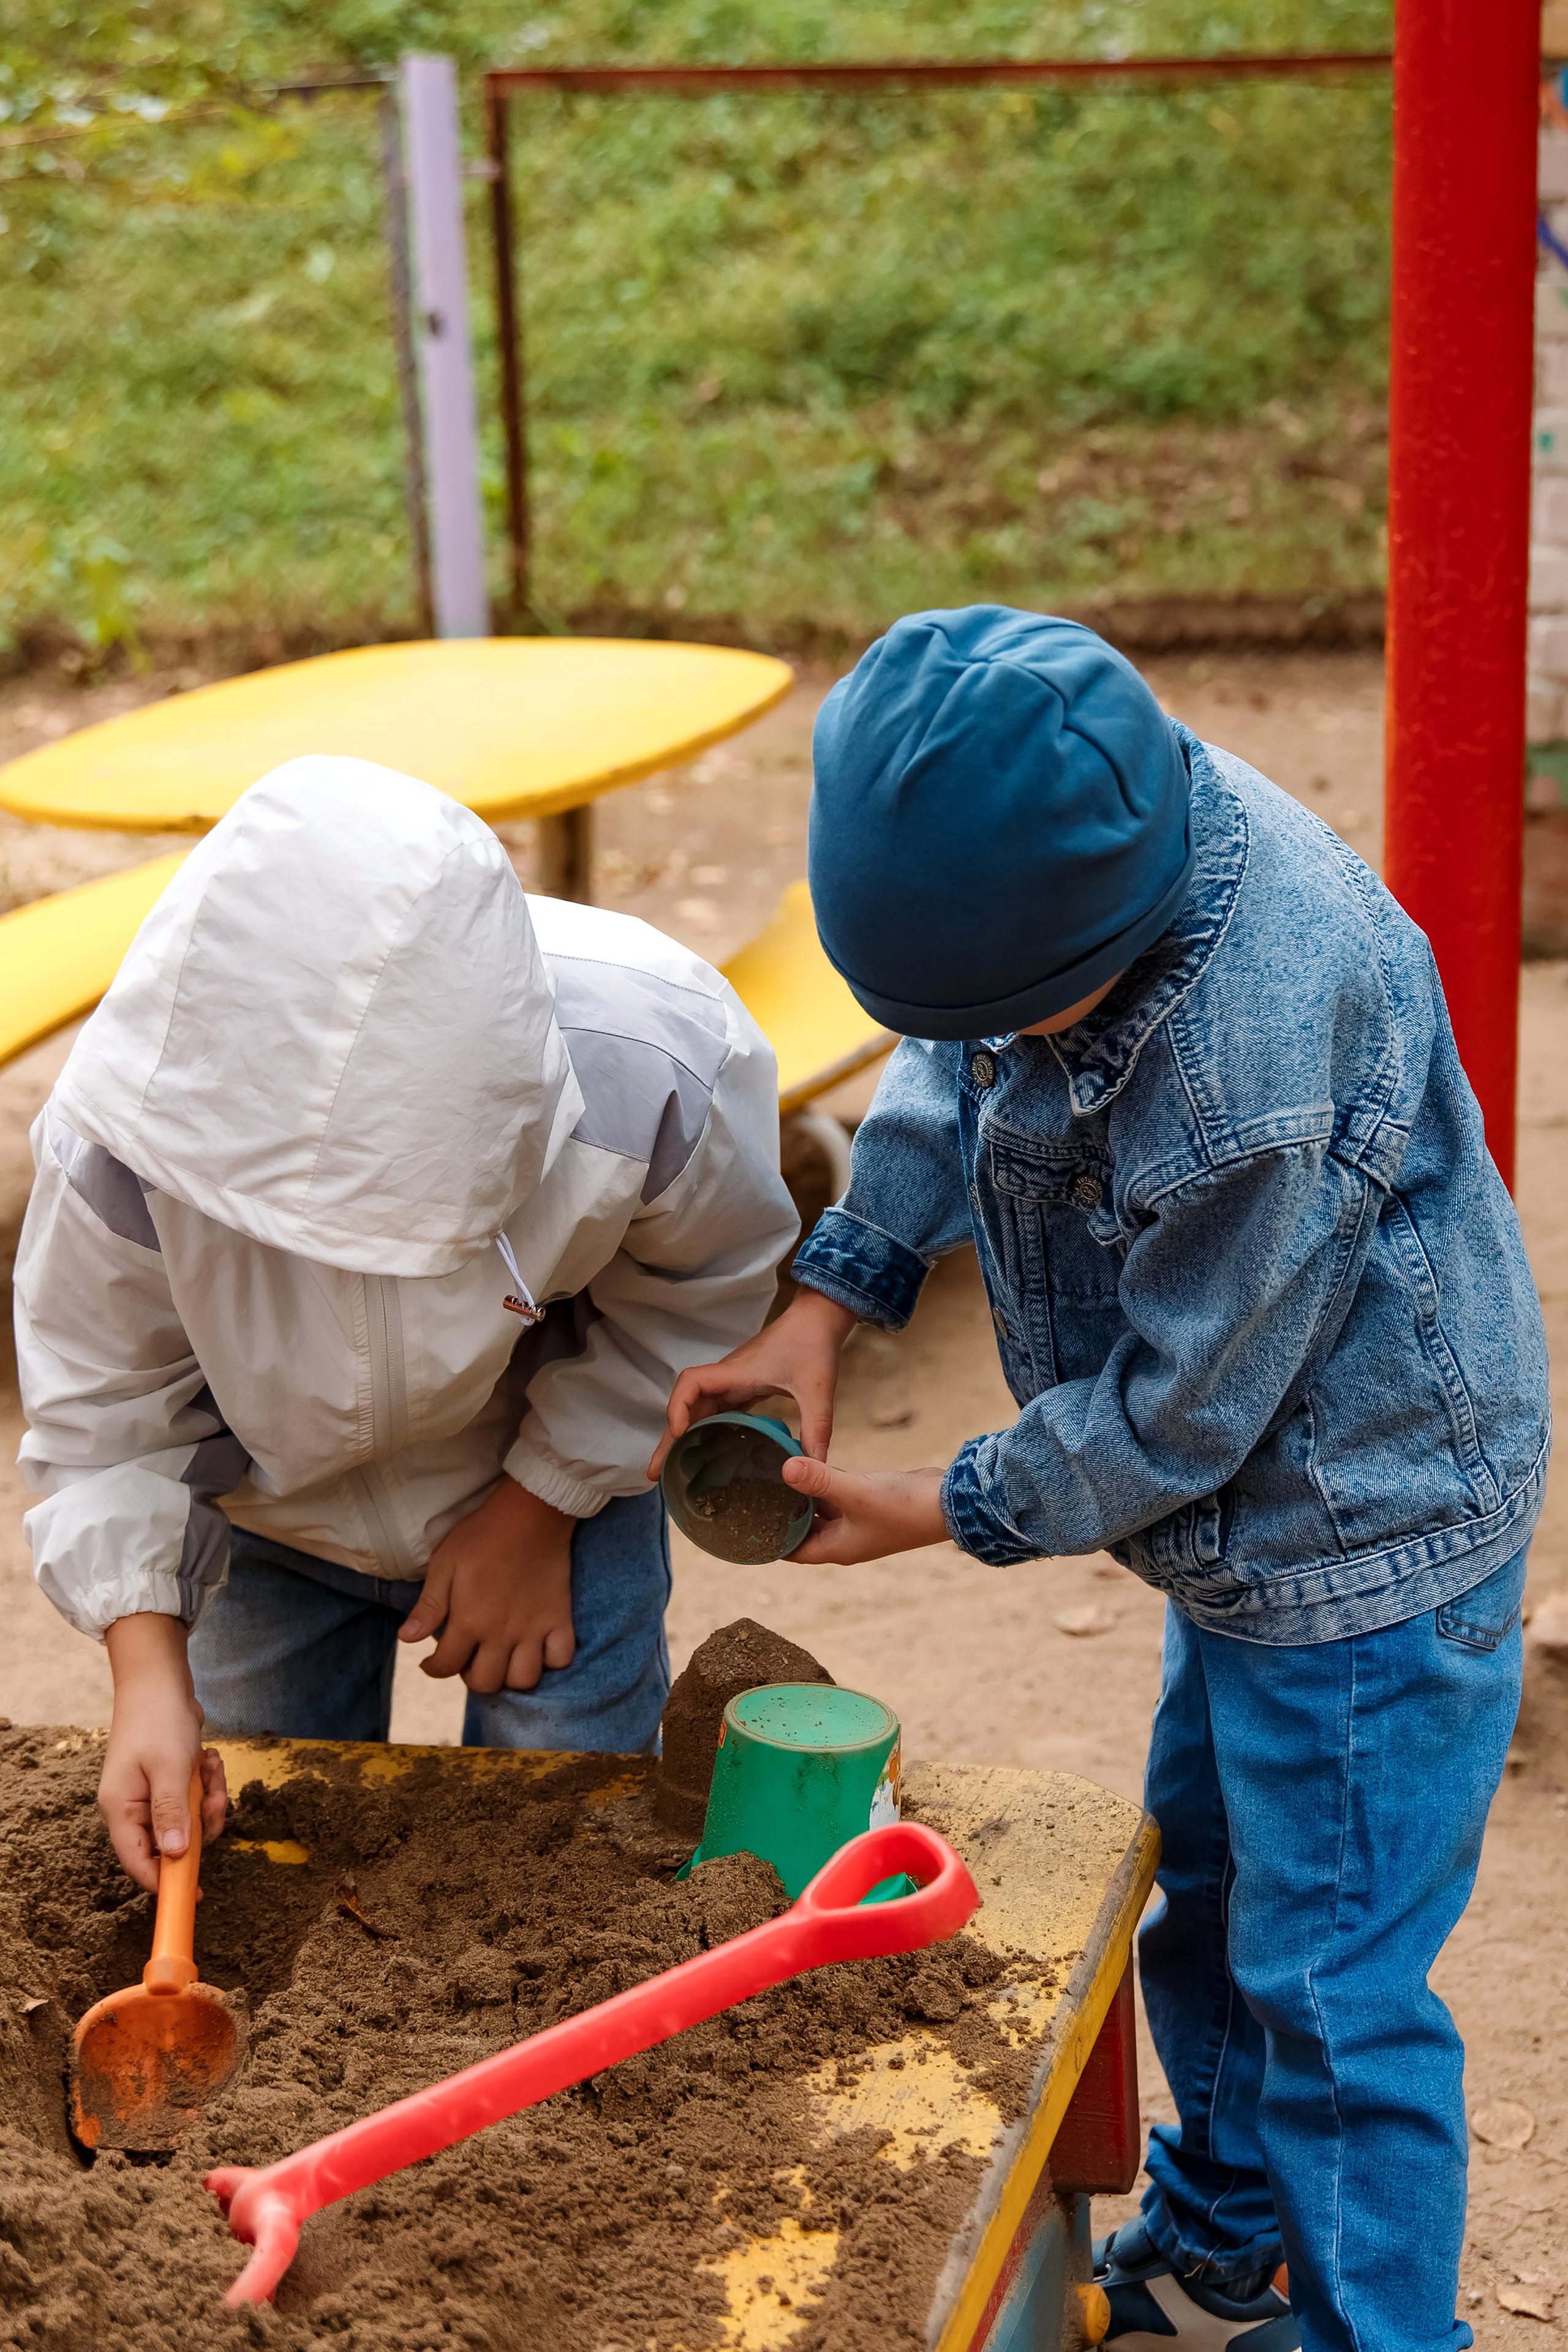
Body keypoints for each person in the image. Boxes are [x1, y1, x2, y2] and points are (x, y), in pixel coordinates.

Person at [650, 607, 1550, 2352]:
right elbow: (957, 1056)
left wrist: (939, 1503)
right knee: (1203, 1898)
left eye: (998, 1011)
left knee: (1331, 1994)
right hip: (1242, 1540)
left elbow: (1179, 1417)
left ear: (1098, 931)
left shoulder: (1248, 1072)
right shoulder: (1076, 850)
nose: (974, 1040)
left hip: (1362, 1544)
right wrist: (834, 1294)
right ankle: (1223, 2245)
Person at [17, 755, 795, 1894]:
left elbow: (699, 1294)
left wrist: (541, 1505)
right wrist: (146, 1673)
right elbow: (104, 1411)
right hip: (268, 1525)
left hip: (558, 1483)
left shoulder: (653, 1066)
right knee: (267, 1849)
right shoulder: (124, 1140)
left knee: (568, 1848)